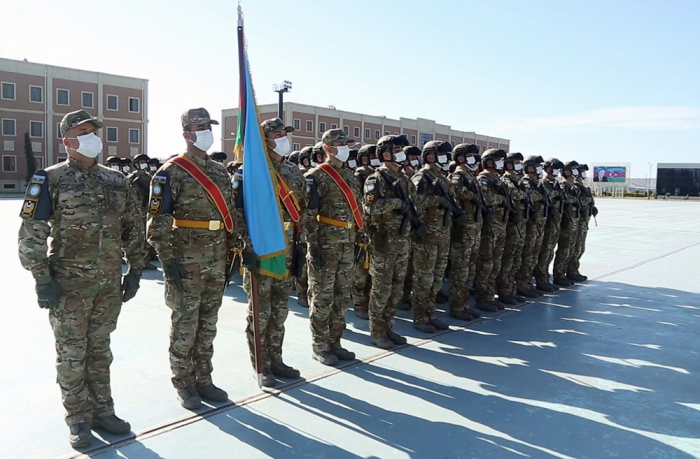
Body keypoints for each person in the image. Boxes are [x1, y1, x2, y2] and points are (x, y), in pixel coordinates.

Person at [18, 110, 146, 448]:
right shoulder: (50, 179)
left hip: (107, 284)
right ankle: (77, 420)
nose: (92, 136)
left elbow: (133, 227)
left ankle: (102, 411)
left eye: (93, 130)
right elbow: (32, 234)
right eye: (83, 131)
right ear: (67, 140)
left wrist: (135, 269)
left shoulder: (116, 180)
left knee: (100, 351)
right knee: (73, 355)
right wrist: (41, 277)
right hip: (69, 286)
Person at [147, 108, 239, 409]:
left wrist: (237, 245)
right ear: (186, 133)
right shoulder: (171, 171)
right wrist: (168, 262)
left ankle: (204, 378)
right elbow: (157, 221)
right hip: (186, 259)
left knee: (208, 322)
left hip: (215, 256)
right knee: (185, 323)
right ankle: (184, 382)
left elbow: (229, 213)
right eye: (200, 127)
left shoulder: (218, 171)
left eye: (208, 126)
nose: (206, 132)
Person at [234, 117, 306, 388]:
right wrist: (245, 246)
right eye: (276, 134)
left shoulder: (293, 172)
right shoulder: (249, 172)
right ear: (263, 140)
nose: (282, 138)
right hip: (262, 250)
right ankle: (260, 365)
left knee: (279, 310)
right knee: (260, 311)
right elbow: (238, 212)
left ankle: (276, 359)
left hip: (286, 248)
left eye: (284, 133)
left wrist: (302, 241)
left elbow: (302, 209)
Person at [304, 128, 362, 365]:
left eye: (347, 144)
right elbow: (309, 215)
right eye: (341, 144)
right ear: (328, 148)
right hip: (326, 244)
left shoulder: (350, 176)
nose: (346, 148)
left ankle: (335, 342)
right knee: (323, 296)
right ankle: (320, 346)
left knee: (341, 295)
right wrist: (313, 244)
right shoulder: (316, 177)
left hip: (347, 241)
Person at [362, 136, 415, 348]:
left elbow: (413, 203)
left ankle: (389, 328)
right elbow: (370, 208)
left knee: (396, 288)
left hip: (402, 240)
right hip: (384, 242)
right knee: (381, 289)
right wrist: (396, 203)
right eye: (398, 149)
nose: (402, 152)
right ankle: (377, 332)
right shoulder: (375, 179)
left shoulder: (403, 179)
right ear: (386, 154)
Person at [411, 140, 464, 332]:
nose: (444, 157)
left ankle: (430, 314)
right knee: (424, 278)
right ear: (430, 155)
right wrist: (438, 200)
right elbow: (416, 201)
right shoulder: (421, 177)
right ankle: (420, 317)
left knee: (437, 277)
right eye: (440, 153)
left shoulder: (442, 177)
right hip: (428, 234)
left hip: (443, 232)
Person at [447, 144, 484, 320]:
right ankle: (457, 306)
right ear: (460, 157)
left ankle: (464, 303)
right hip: (463, 229)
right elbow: (456, 190)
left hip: (474, 227)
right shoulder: (457, 175)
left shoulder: (471, 175)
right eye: (469, 155)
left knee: (469, 268)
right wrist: (473, 196)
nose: (473, 158)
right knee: (460, 269)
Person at [473, 149, 509, 312]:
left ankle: (489, 295)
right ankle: (482, 297)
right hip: (489, 227)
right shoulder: (483, 179)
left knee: (495, 264)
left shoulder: (498, 179)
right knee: (486, 263)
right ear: (488, 162)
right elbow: (487, 199)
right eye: (497, 159)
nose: (501, 162)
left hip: (500, 225)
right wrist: (502, 199)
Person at [496, 152, 527, 305]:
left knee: (515, 258)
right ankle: (504, 291)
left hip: (519, 224)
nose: (519, 165)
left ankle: (511, 289)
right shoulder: (506, 180)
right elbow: (516, 195)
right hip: (510, 225)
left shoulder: (517, 180)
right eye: (516, 162)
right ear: (508, 164)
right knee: (507, 259)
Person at [351, 144, 377, 320]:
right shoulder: (359, 176)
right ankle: (360, 303)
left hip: (376, 229)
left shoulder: (377, 176)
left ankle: (368, 302)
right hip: (362, 228)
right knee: (361, 270)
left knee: (373, 270)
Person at [515, 155, 547, 297]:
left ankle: (528, 283)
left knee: (534, 254)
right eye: (537, 165)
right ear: (529, 167)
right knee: (527, 254)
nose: (539, 168)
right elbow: (529, 196)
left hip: (538, 223)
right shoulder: (526, 182)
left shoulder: (537, 182)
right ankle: (522, 284)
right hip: (529, 224)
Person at [534, 158, 565, 292]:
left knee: (549, 252)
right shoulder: (542, 183)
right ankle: (541, 280)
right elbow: (543, 196)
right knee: (544, 252)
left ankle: (545, 278)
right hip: (545, 223)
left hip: (555, 223)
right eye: (555, 168)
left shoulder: (557, 184)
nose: (557, 171)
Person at [127, 153, 158, 270]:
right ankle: (140, 261)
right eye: (141, 162)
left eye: (146, 162)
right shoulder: (131, 178)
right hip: (136, 210)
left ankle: (146, 258)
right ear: (136, 164)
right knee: (137, 237)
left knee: (147, 236)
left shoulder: (150, 177)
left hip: (148, 210)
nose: (144, 164)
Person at [552, 160, 581, 287]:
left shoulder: (573, 185)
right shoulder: (563, 185)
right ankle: (559, 274)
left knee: (571, 249)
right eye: (573, 169)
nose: (575, 171)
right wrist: (576, 200)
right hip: (565, 222)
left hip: (573, 221)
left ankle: (566, 272)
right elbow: (565, 198)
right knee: (564, 249)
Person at [567, 164, 597, 281]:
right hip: (575, 222)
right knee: (572, 248)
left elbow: (588, 201)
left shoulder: (583, 187)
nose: (582, 175)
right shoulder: (573, 187)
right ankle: (568, 271)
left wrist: (592, 207)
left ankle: (574, 269)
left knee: (580, 248)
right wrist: (588, 201)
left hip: (583, 222)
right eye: (580, 173)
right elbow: (577, 201)